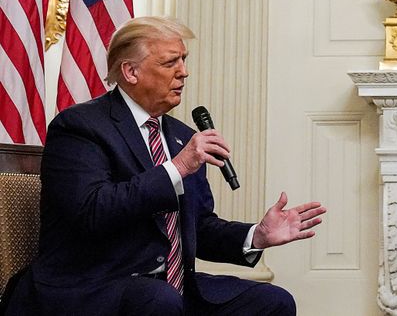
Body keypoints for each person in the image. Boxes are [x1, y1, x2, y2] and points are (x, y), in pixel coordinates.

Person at [5, 16, 325, 315]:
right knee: (159, 300)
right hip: (90, 286)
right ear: (131, 72)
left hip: (169, 288)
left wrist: (256, 236)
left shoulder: (180, 136)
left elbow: (197, 227)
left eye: (184, 60)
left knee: (274, 301)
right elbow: (92, 211)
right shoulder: (80, 127)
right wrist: (178, 167)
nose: (183, 71)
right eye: (171, 62)